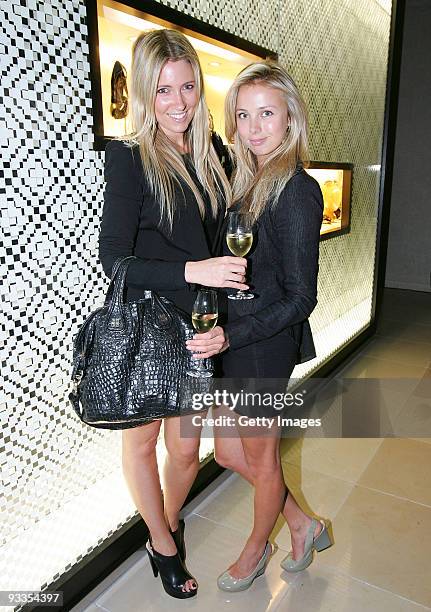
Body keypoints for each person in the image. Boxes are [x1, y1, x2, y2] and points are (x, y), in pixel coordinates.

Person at [98, 29, 246, 599]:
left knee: (185, 448)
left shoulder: (213, 156)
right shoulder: (131, 157)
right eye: (163, 90)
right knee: (142, 443)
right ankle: (162, 543)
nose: (179, 102)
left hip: (196, 327)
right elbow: (114, 260)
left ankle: (165, 521)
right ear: (143, 93)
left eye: (187, 86)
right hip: (145, 324)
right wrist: (196, 271)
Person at [187, 60, 333, 592]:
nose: (254, 127)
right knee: (229, 452)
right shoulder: (245, 180)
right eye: (243, 115)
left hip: (261, 346)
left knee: (262, 457)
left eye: (266, 113)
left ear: (290, 118)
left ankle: (255, 549)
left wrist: (233, 334)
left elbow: (301, 298)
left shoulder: (295, 190)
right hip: (234, 337)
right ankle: (302, 522)